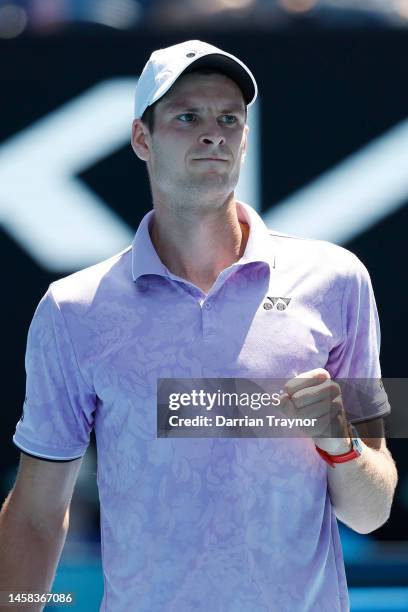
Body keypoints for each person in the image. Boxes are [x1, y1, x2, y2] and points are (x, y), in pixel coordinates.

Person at [0, 40, 398, 612]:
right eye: (188, 117)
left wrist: (341, 447)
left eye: (229, 119)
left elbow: (371, 510)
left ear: (245, 138)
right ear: (143, 139)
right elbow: (37, 515)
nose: (214, 133)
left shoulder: (339, 280)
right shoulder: (73, 308)